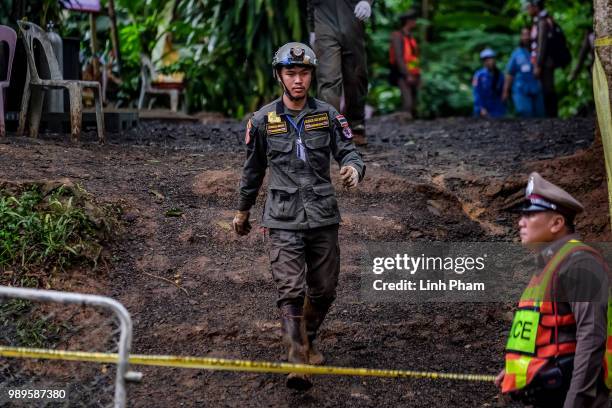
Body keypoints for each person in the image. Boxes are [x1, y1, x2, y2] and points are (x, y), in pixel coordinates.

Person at [232, 42, 366, 391]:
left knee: (324, 289)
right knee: (290, 288)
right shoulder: (262, 121)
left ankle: (304, 339)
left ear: (311, 75)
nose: (297, 80)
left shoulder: (329, 115)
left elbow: (349, 151)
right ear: (279, 75)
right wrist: (242, 212)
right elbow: (253, 171)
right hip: (282, 217)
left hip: (322, 216)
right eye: (290, 73)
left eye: (303, 73)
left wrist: (353, 168)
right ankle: (297, 359)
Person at [495, 172, 611, 407]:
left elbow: (592, 337)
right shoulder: (548, 266)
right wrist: (515, 369)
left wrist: (576, 402)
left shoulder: (579, 263)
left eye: (531, 214)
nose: (521, 222)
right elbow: (542, 334)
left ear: (557, 223)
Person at [307, 0, 372, 146]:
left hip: (352, 19)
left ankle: (356, 126)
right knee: (328, 78)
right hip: (323, 21)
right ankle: (330, 129)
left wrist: (367, 2)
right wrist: (312, 29)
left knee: (356, 76)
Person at [525, 0, 559, 118]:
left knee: (548, 89)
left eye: (529, 7)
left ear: (536, 7)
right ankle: (550, 116)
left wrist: (538, 64)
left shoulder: (542, 21)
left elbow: (542, 44)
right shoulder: (538, 21)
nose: (527, 9)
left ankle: (553, 116)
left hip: (546, 62)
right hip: (544, 62)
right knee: (545, 88)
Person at [503, 28, 545, 118]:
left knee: (540, 114)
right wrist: (506, 91)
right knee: (525, 112)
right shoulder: (516, 54)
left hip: (536, 87)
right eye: (524, 35)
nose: (526, 37)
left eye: (528, 34)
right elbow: (510, 73)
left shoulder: (538, 52)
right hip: (521, 88)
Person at [389, 10, 421, 119]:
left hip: (413, 72)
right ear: (408, 21)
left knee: (414, 104)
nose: (416, 22)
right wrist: (407, 74)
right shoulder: (397, 36)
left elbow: (413, 57)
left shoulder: (410, 37)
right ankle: (398, 119)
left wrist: (416, 73)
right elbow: (398, 57)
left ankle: (404, 117)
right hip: (402, 72)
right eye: (414, 20)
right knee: (408, 102)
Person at [472, 48, 505, 118]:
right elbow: (476, 93)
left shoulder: (500, 75)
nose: (488, 62)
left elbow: (502, 91)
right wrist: (481, 108)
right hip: (483, 106)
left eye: (490, 59)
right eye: (485, 60)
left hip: (497, 108)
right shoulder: (479, 75)